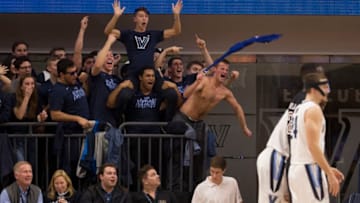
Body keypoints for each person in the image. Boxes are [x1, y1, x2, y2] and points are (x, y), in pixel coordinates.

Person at [170, 59, 252, 189]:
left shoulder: (224, 92)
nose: (224, 71)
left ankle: (196, 191)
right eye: (222, 68)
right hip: (182, 120)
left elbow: (237, 108)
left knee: (199, 162)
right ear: (214, 70)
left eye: (226, 70)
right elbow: (185, 93)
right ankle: (177, 191)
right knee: (179, 160)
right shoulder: (204, 81)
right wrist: (196, 81)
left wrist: (244, 127)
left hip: (198, 124)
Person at [256, 63, 325, 203]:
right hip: (277, 156)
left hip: (282, 157)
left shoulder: (300, 101)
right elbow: (293, 139)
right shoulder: (306, 102)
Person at [288, 73, 344, 203]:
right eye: (324, 87)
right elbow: (312, 146)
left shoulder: (298, 109)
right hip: (309, 170)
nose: (327, 91)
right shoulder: (313, 109)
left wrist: (327, 168)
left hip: (296, 168)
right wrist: (329, 174)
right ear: (313, 89)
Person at [104, 0, 183, 76]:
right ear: (135, 19)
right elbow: (108, 31)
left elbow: (176, 31)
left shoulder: (153, 35)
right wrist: (116, 16)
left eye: (146, 16)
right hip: (133, 73)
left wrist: (176, 15)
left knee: (169, 88)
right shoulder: (128, 34)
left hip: (150, 74)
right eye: (141, 16)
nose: (144, 18)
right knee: (124, 88)